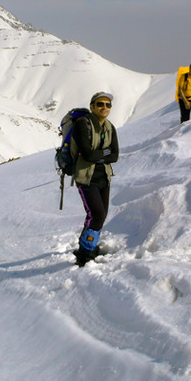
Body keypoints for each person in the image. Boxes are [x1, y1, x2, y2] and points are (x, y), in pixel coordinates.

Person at [71, 92, 119, 266]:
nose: (104, 108)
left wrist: (98, 155)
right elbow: (87, 153)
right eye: (100, 104)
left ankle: (87, 244)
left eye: (108, 105)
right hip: (86, 177)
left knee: (99, 215)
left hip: (104, 177)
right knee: (97, 214)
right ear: (92, 106)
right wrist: (102, 154)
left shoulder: (110, 127)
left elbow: (115, 155)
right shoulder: (82, 124)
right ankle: (85, 253)